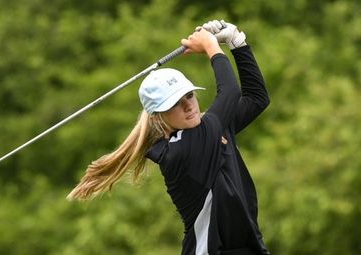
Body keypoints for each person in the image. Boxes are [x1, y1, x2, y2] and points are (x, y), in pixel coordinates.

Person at [68, 20, 270, 255]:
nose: (188, 106)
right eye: (175, 103)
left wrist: (238, 43)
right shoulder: (181, 151)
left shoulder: (211, 128)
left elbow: (257, 98)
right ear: (158, 116)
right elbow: (231, 91)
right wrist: (211, 47)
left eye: (190, 96)